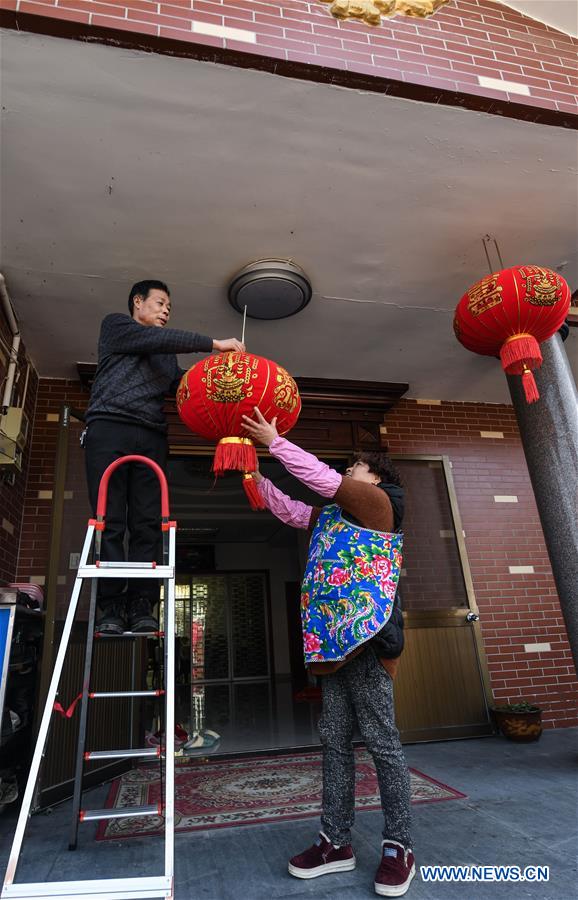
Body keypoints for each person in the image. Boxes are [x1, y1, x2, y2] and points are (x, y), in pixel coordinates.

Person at [242, 408, 414, 898]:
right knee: (334, 741)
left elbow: (321, 479)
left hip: (368, 642)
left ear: (375, 477)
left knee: (382, 744)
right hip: (333, 646)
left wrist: (275, 442)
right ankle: (335, 842)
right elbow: (292, 509)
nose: (346, 473)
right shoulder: (334, 516)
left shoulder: (382, 504)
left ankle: (399, 845)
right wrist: (253, 474)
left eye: (355, 468)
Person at [85, 279, 244, 634]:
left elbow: (185, 388)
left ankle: (143, 606)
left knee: (146, 522)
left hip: (152, 434)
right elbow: (158, 339)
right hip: (108, 427)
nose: (165, 311)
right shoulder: (116, 326)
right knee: (109, 520)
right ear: (137, 303)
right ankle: (109, 608)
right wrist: (214, 345)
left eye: (168, 308)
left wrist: (227, 379)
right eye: (160, 304)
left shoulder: (165, 353)